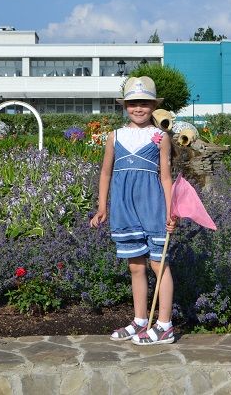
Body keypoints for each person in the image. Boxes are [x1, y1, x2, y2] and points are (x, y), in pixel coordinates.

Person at [90, 76, 177, 346]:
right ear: (125, 106)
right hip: (124, 209)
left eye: (144, 103)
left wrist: (171, 211)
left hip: (154, 208)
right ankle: (140, 320)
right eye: (133, 104)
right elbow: (106, 173)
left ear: (153, 106)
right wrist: (102, 206)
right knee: (135, 266)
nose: (138, 108)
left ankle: (164, 325)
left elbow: (166, 177)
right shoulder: (114, 136)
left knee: (158, 264)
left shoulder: (161, 137)